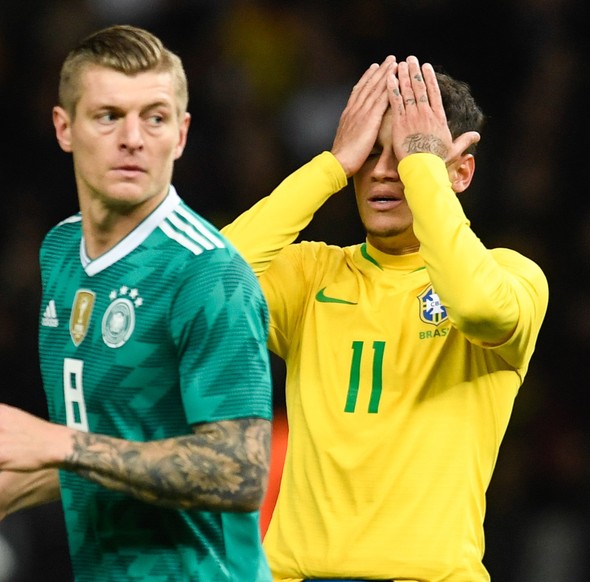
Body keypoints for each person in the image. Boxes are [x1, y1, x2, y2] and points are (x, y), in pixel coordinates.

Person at [0, 24, 274, 582]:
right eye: (109, 115)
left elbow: (239, 472)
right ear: (64, 128)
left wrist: (59, 442)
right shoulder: (61, 251)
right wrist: (1, 495)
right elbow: (114, 444)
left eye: (155, 117)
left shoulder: (209, 274)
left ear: (181, 135)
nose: (133, 138)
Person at [221, 55, 549, 581]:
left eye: (405, 153)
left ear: (461, 170)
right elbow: (204, 287)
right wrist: (328, 167)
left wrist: (424, 172)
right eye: (370, 152)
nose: (381, 170)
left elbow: (479, 309)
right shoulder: (312, 274)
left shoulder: (512, 276)